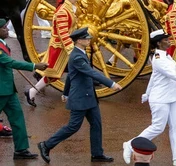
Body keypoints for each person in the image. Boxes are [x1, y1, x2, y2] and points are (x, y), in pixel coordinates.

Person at [122, 29, 176, 166]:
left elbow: (154, 77)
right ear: (158, 43)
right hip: (160, 98)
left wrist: (147, 92)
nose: (169, 41)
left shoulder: (166, 56)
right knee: (158, 127)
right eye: (166, 40)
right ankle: (130, 144)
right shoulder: (158, 59)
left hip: (172, 97)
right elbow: (173, 75)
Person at [38, 27, 123, 164]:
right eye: (86, 38)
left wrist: (65, 93)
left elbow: (71, 76)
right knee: (73, 126)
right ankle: (46, 145)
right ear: (79, 41)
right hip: (81, 97)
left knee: (96, 124)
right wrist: (111, 84)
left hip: (88, 97)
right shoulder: (77, 56)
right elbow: (91, 73)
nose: (89, 39)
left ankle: (97, 153)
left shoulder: (80, 52)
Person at [0, 17, 48, 160]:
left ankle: (21, 150)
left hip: (8, 90)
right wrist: (34, 66)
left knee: (18, 119)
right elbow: (10, 62)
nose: (7, 30)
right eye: (4, 28)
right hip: (1, 91)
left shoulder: (2, 44)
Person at [27, 0, 80, 106]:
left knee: (74, 71)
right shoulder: (63, 11)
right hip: (60, 48)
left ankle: (71, 94)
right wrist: (71, 49)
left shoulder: (68, 8)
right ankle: (31, 92)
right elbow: (63, 33)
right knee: (53, 75)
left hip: (64, 47)